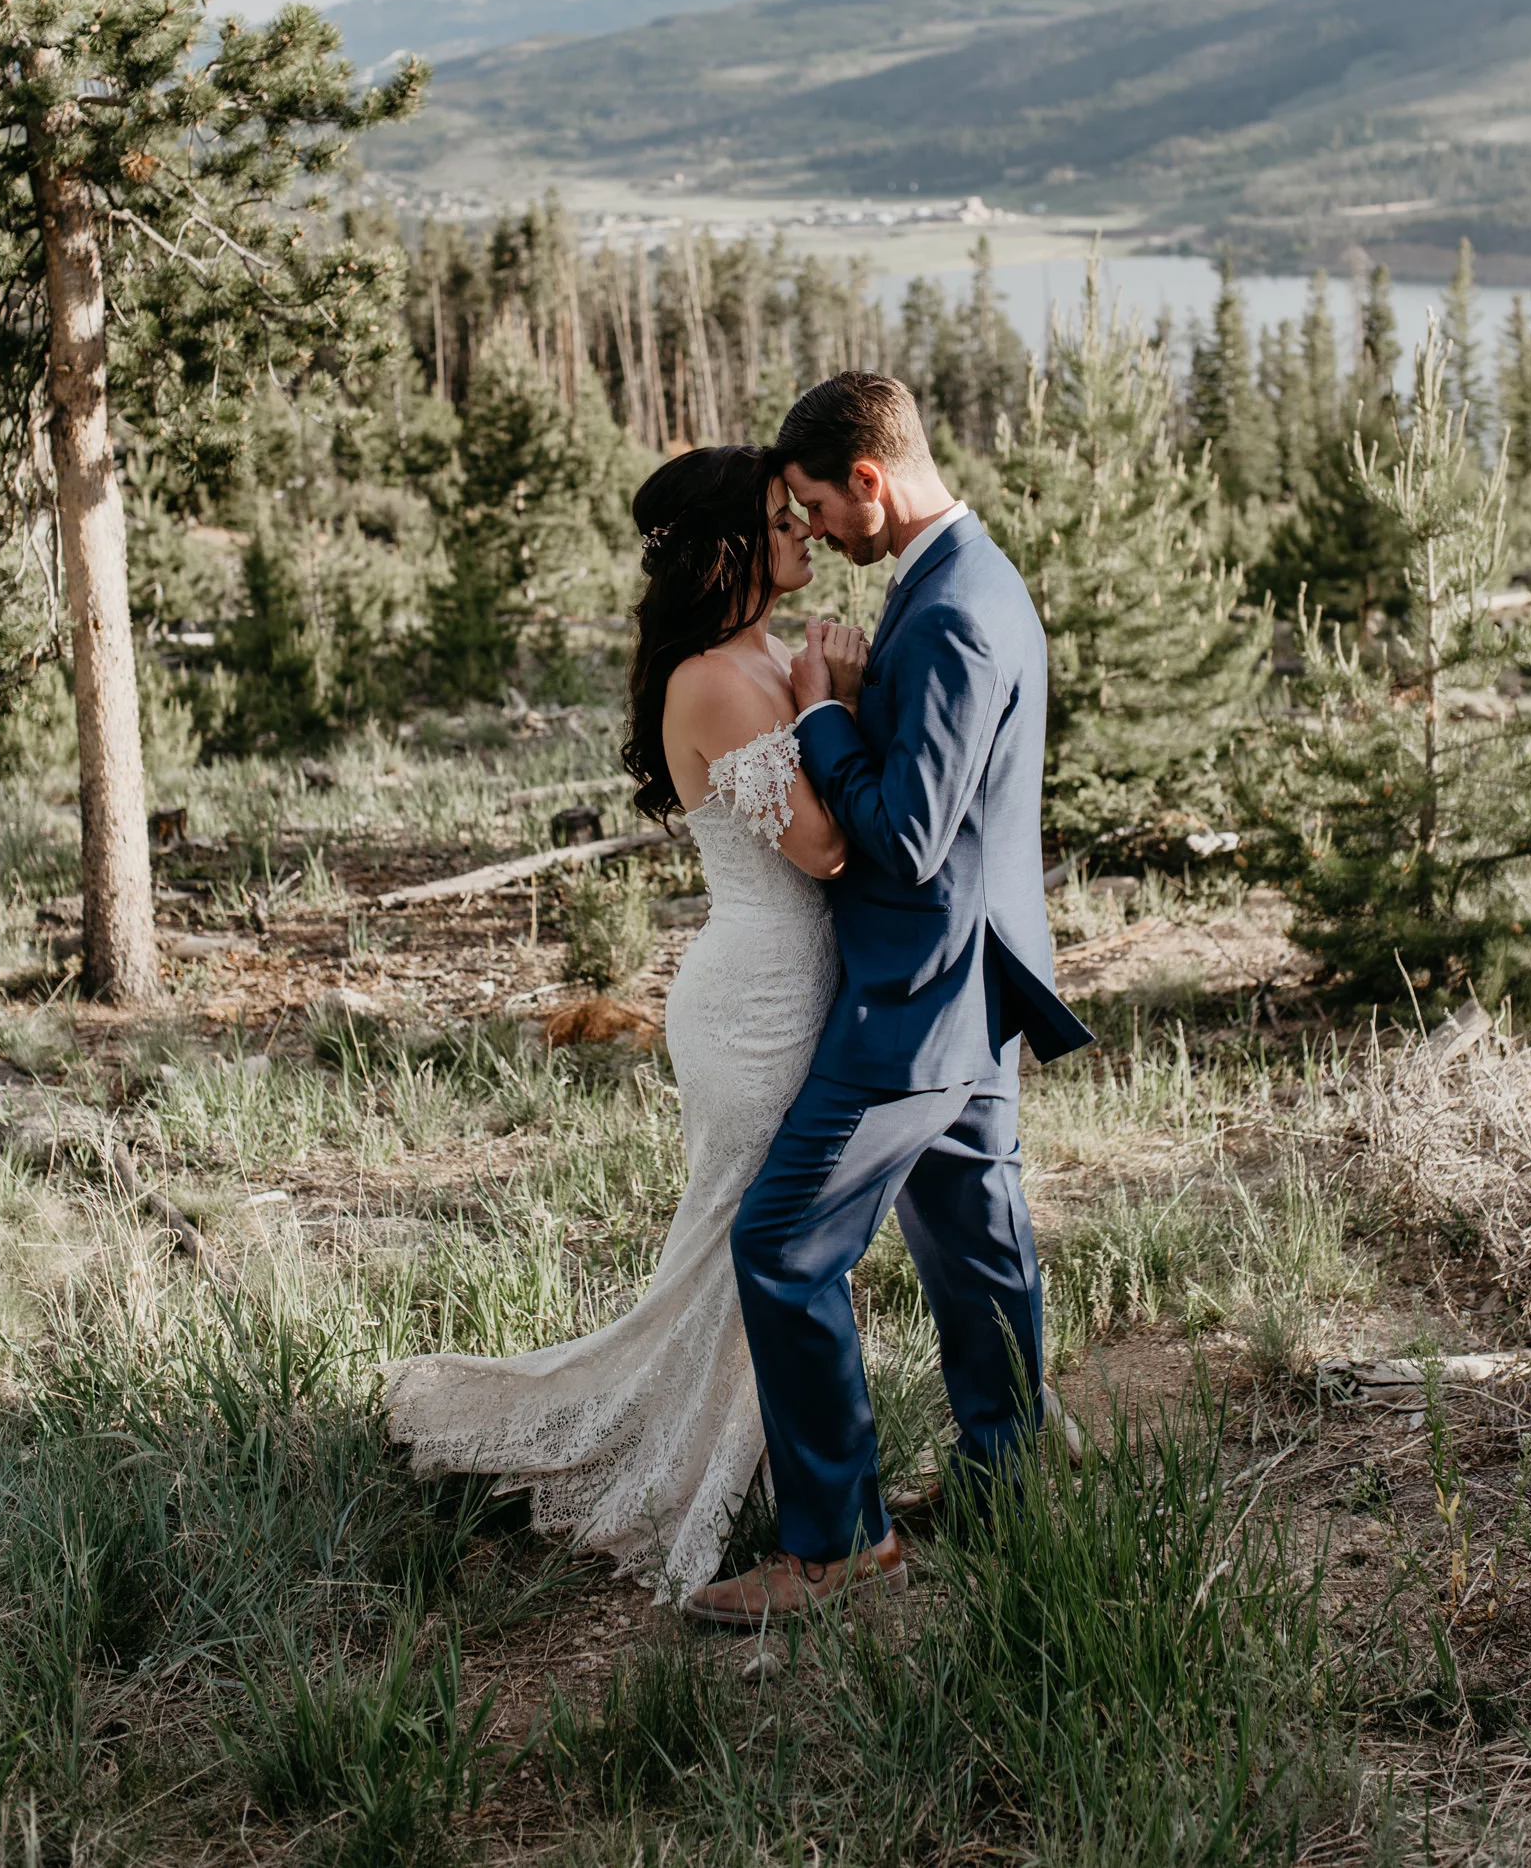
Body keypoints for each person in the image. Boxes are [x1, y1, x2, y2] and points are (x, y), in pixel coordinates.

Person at [383, 445, 861, 1600]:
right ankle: (710, 1474)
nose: (804, 528)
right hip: (757, 999)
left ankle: (783, 1471)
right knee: (748, 1242)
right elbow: (822, 848)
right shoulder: (713, 679)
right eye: (780, 517)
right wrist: (834, 703)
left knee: (773, 1242)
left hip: (797, 980)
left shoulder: (766, 654)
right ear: (725, 549)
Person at [684, 372, 1091, 1629]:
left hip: (917, 996)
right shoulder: (961, 579)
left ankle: (836, 1543)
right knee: (975, 1245)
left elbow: (908, 839)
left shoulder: (953, 609)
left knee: (782, 1245)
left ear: (869, 479)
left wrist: (821, 714)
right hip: (973, 981)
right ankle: (1006, 1485)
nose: (811, 527)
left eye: (815, 503)